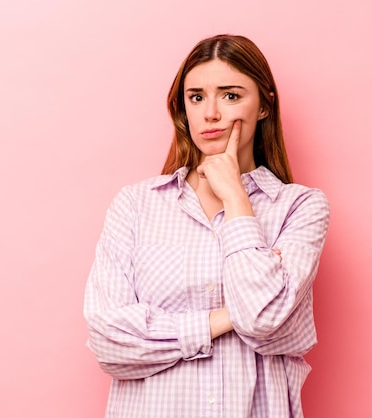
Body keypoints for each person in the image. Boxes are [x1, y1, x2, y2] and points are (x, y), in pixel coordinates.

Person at [84, 34, 330, 418]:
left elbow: (263, 318)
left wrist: (235, 197)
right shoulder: (136, 204)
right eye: (196, 97)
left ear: (264, 104)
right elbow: (109, 342)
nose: (210, 113)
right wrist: (231, 317)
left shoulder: (299, 207)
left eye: (230, 95)